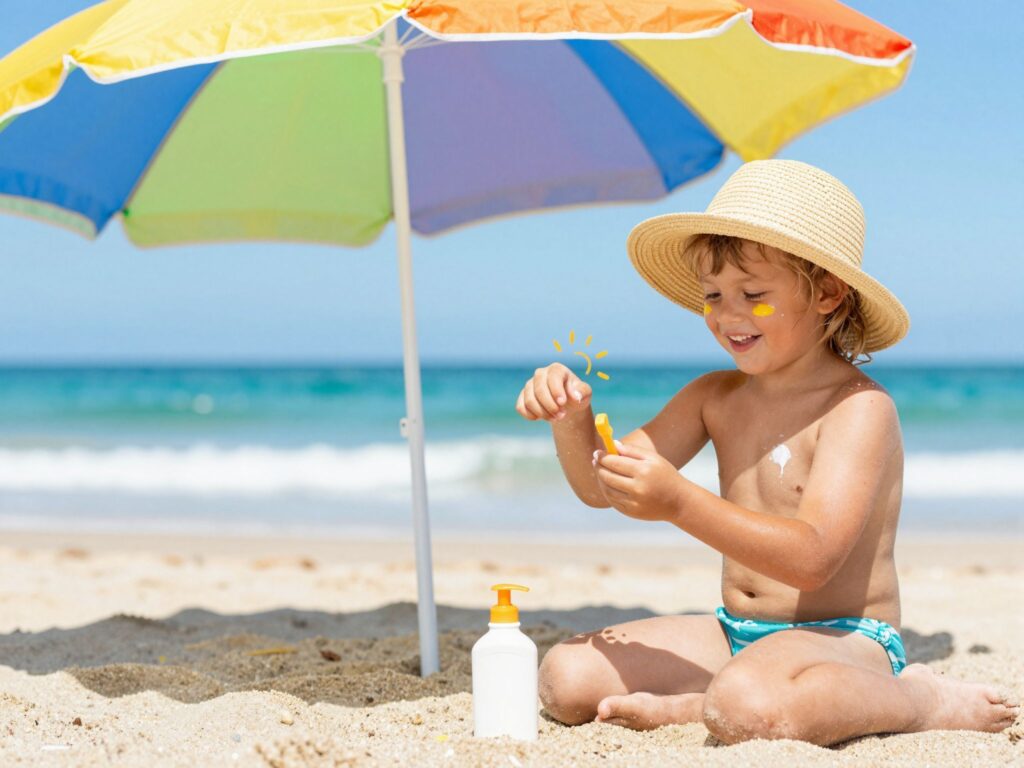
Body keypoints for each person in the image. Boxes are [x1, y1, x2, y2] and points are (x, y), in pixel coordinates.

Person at [514, 160, 1018, 746]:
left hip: (844, 641)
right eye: (713, 295)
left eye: (752, 294)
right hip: (736, 633)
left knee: (746, 707)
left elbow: (813, 559)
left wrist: (678, 502)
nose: (727, 315)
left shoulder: (857, 409)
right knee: (565, 679)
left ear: (828, 293)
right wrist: (570, 421)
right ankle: (704, 703)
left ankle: (916, 698)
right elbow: (602, 489)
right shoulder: (713, 397)